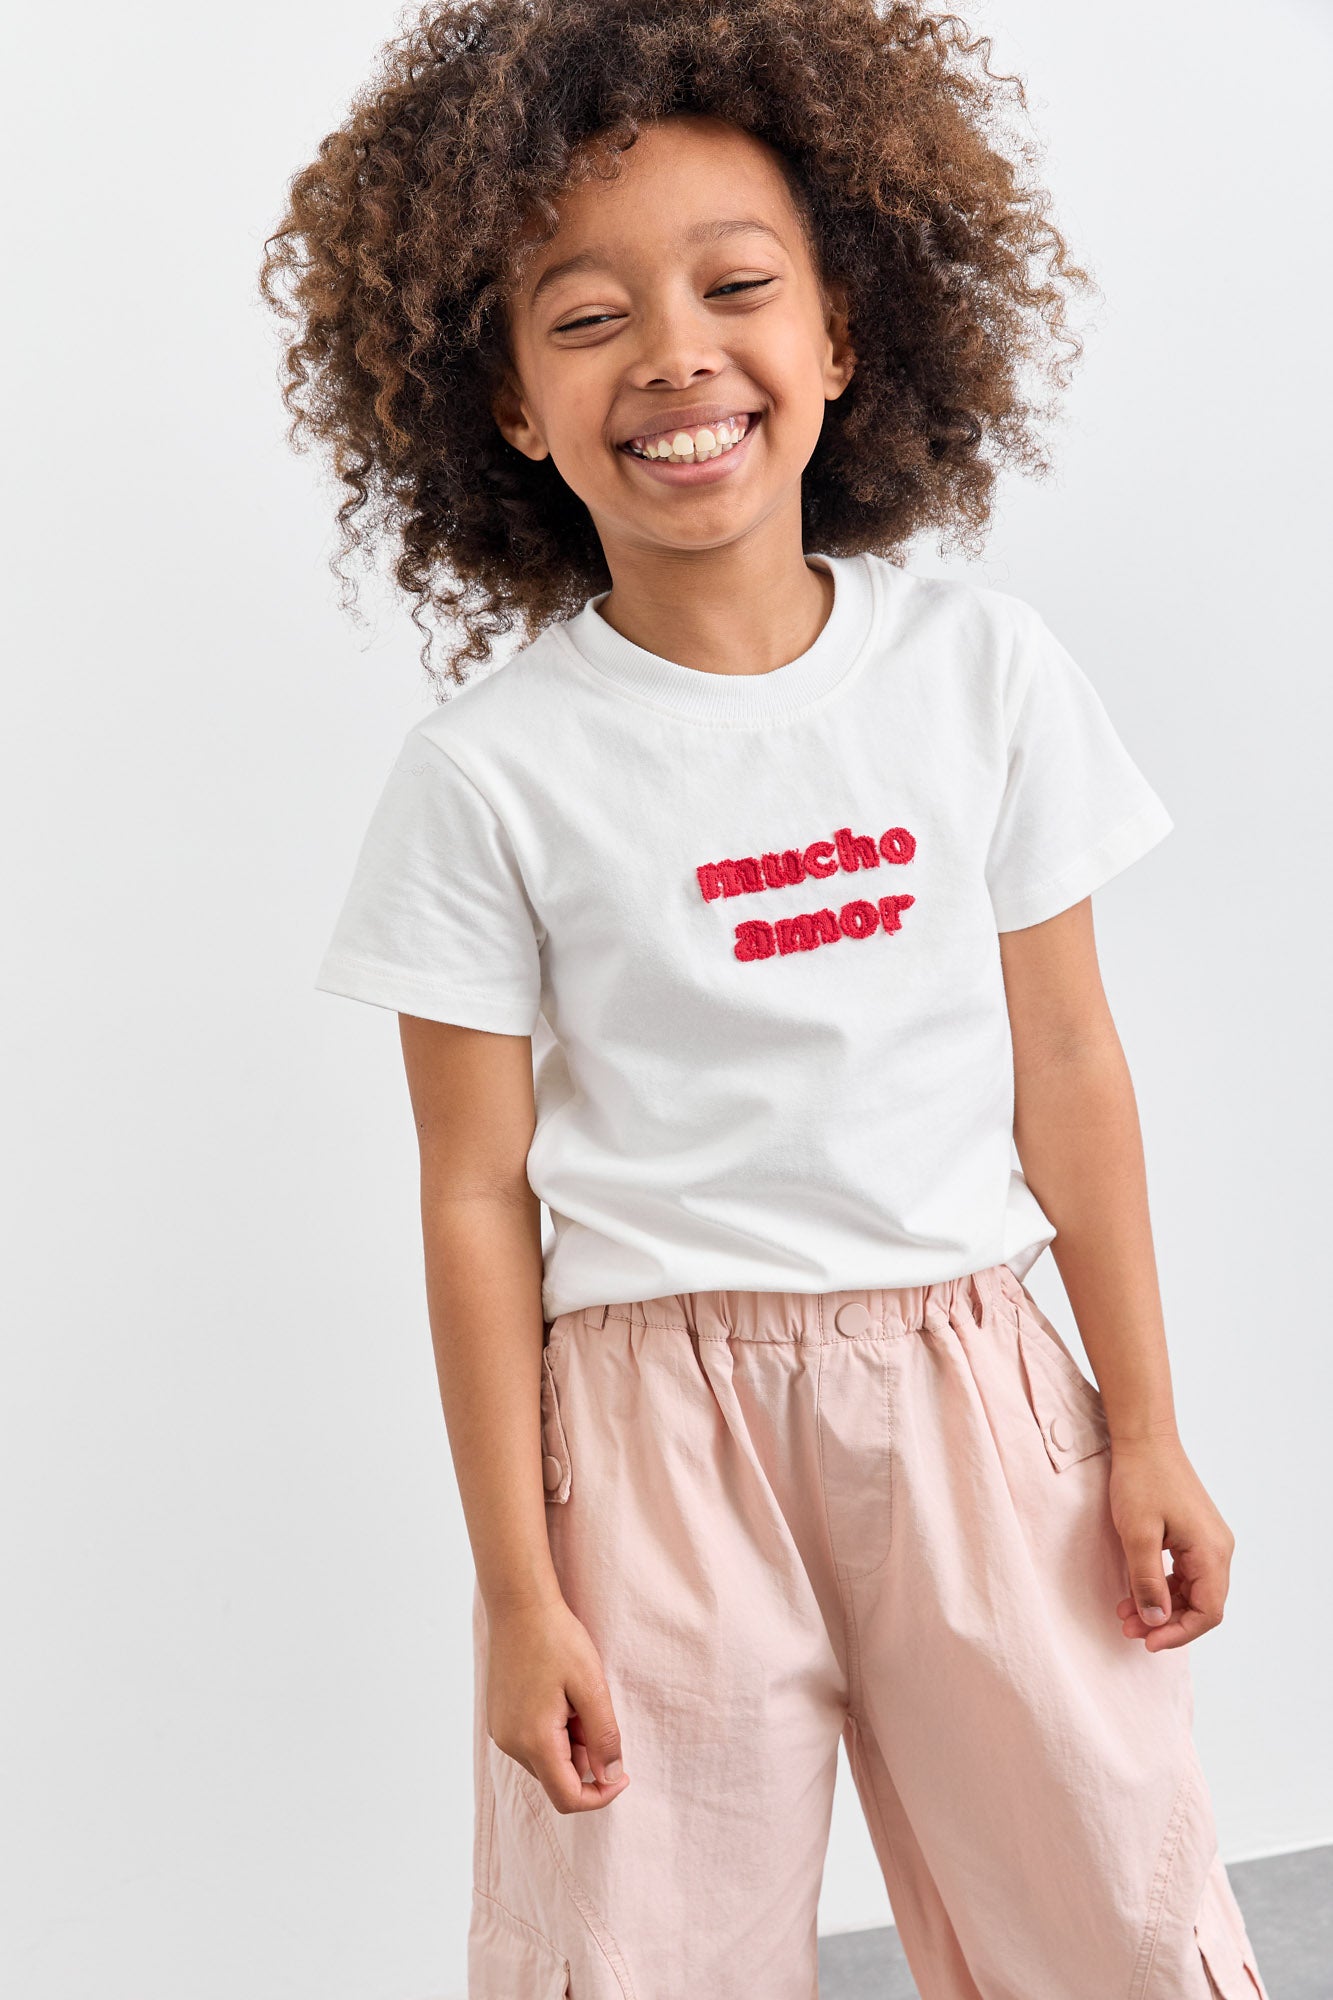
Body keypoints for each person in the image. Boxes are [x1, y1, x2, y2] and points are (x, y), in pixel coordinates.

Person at [260, 2, 1270, 1993]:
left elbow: (1070, 1066)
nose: (672, 353)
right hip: (650, 1442)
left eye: (735, 287)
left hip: (977, 1393)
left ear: (842, 336)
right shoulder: (489, 777)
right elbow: (473, 1196)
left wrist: (1145, 1427)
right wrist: (517, 1592)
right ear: (507, 406)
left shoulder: (982, 675)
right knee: (641, 1948)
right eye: (585, 317)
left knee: (1114, 1919)